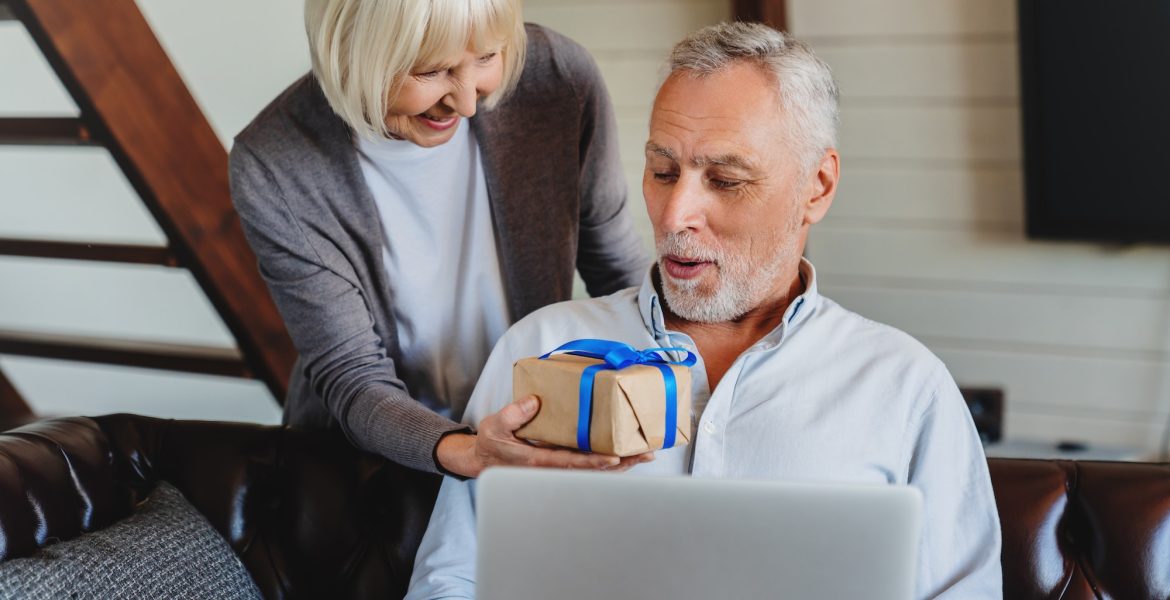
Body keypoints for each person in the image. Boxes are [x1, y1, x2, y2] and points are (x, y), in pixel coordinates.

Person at [405, 22, 1002, 599]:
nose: (674, 215)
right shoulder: (538, 349)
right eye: (663, 172)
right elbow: (447, 583)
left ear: (816, 188)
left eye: (725, 179)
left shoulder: (905, 387)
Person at [228, 0, 652, 478]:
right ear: (349, 52)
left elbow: (619, 274)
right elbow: (353, 377)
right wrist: (467, 450)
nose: (469, 103)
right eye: (431, 71)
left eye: (488, 58)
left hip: (538, 445)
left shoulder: (559, 80)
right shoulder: (274, 165)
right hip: (369, 474)